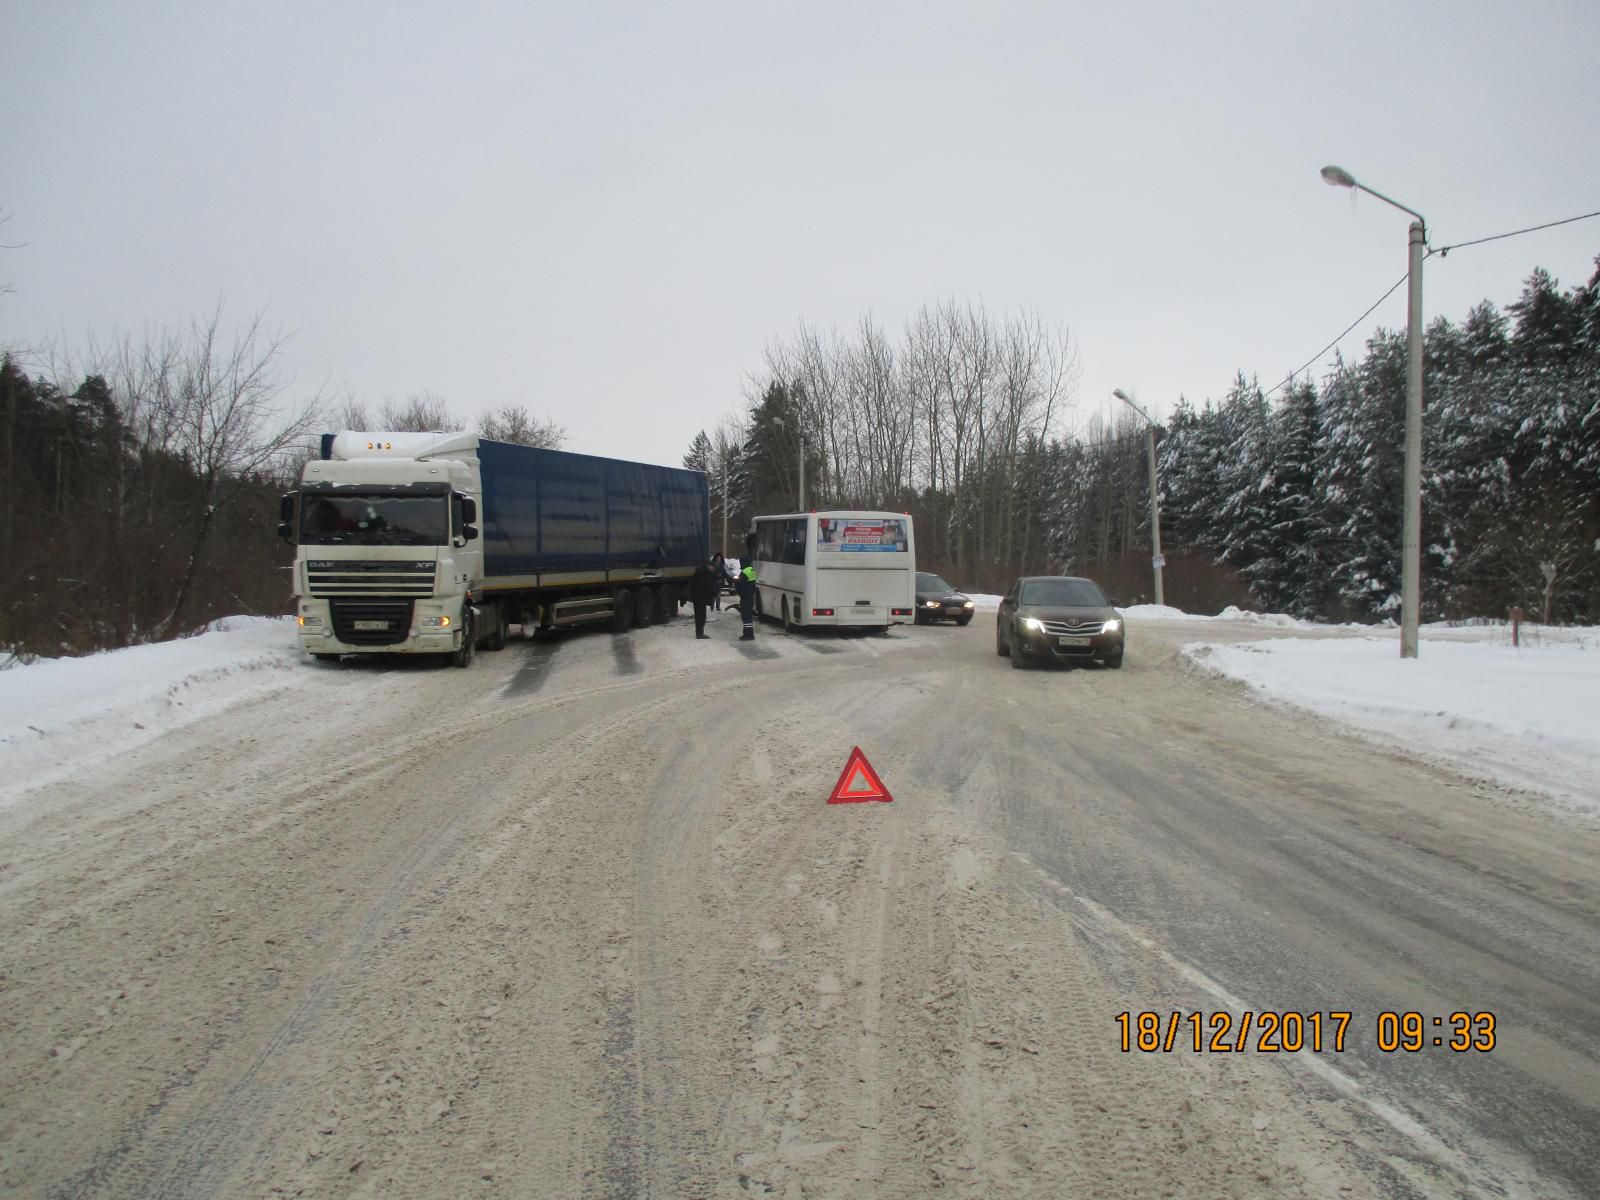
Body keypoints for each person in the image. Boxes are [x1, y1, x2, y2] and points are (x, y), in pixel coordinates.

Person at [689, 558, 719, 638]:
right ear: (709, 566)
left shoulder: (699, 572)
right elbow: (708, 586)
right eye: (713, 568)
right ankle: (699, 633)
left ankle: (699, 632)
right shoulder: (705, 574)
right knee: (701, 616)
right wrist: (714, 593)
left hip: (697, 597)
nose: (713, 570)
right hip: (701, 598)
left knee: (699, 615)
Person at [734, 563, 757, 640]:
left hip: (745, 598)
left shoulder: (744, 572)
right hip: (750, 597)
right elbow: (752, 584)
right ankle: (747, 634)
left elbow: (742, 584)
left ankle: (748, 635)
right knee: (748, 617)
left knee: (746, 617)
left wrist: (736, 581)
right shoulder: (752, 570)